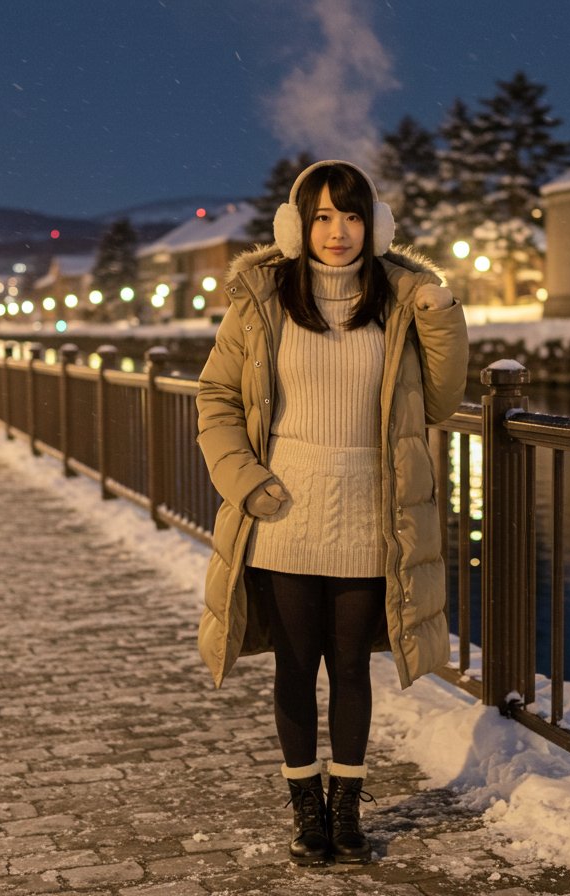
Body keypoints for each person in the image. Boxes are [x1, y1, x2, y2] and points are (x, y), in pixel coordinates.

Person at [195, 160, 469, 865]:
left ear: (374, 225)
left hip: (369, 511)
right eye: (321, 216)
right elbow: (216, 399)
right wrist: (247, 482)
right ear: (297, 226)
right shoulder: (261, 298)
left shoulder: (403, 298)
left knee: (350, 665)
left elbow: (439, 403)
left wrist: (443, 319)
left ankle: (346, 806)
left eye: (351, 216)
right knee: (295, 664)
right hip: (282, 509)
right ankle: (304, 809)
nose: (337, 232)